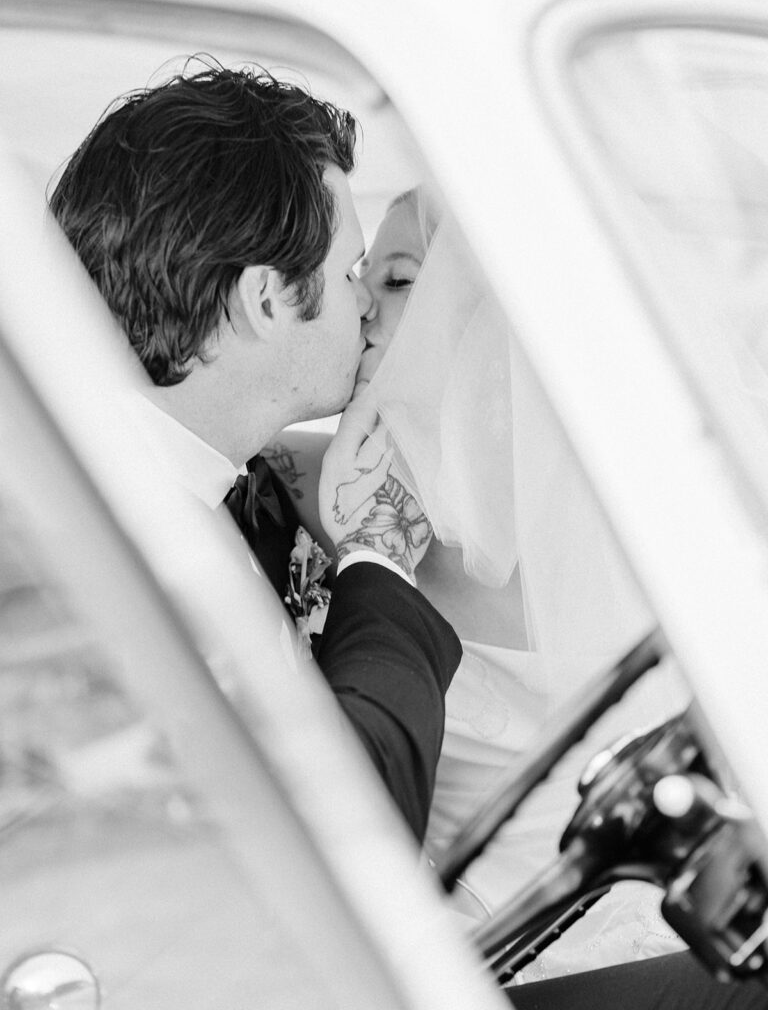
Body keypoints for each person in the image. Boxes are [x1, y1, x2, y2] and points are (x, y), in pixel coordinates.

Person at [280, 186, 768, 1009]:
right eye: (361, 277)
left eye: (398, 282)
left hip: (528, 958)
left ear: (484, 329)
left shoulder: (353, 494)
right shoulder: (635, 499)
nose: (360, 307)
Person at [47, 65, 462, 845]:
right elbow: (351, 835)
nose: (367, 301)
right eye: (348, 272)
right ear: (265, 299)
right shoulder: (107, 546)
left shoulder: (170, 466)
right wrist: (377, 555)